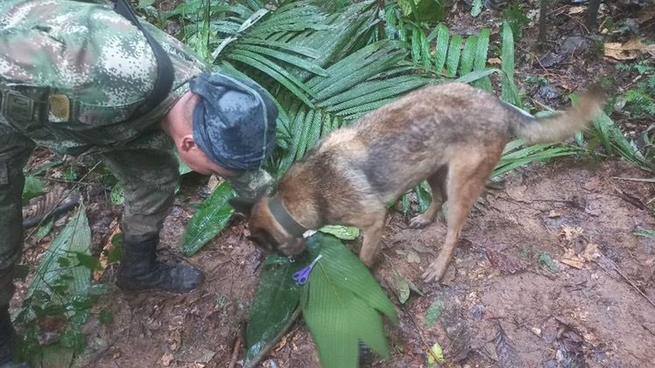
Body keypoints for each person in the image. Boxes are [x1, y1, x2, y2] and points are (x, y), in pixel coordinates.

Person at [0, 1, 278, 367]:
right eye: (215, 172)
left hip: (110, 119)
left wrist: (282, 217)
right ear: (189, 145)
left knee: (156, 179)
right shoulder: (104, 72)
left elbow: (239, 166)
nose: (217, 176)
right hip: (11, 100)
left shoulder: (205, 96)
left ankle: (137, 270)